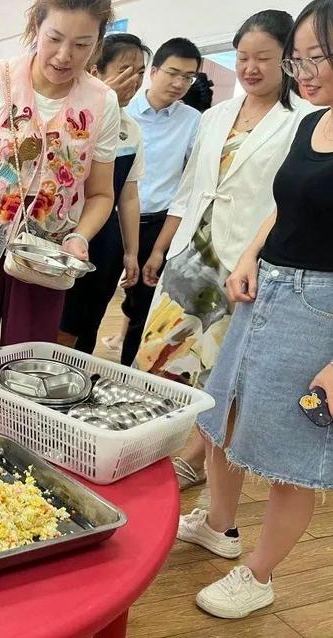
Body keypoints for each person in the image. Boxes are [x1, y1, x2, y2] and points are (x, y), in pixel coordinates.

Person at [176, 0, 333, 618]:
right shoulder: (309, 123)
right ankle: (220, 526)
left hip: (320, 311)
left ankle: (259, 574)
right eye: (300, 57)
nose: (305, 70)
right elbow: (284, 206)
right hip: (264, 288)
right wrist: (249, 255)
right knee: (221, 417)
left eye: (317, 56)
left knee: (291, 455)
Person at [134, 10, 316, 490]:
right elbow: (189, 186)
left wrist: (257, 255)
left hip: (244, 260)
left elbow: (288, 201)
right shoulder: (214, 116)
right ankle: (138, 441)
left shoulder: (304, 121)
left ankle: (193, 457)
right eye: (242, 57)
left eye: (264, 58)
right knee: (158, 353)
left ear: (287, 62)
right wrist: (160, 248)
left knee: (219, 367)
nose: (251, 68)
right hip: (192, 249)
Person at [0, 0, 120, 390]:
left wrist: (79, 236)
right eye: (55, 39)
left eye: (81, 45)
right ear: (36, 27)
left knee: (27, 374)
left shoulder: (101, 103)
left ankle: (15, 447)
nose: (64, 56)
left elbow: (100, 195)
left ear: (97, 43)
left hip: (45, 264)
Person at [59, 33, 150, 355]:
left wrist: (131, 252)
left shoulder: (132, 130)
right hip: (63, 233)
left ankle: (75, 381)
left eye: (140, 72)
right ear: (96, 71)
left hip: (105, 241)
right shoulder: (70, 118)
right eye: (126, 69)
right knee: (58, 321)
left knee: (89, 320)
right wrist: (104, 99)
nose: (135, 80)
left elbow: (128, 194)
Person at [118, 38, 202, 366]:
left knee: (144, 308)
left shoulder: (193, 121)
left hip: (157, 223)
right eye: (173, 73)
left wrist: (159, 247)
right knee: (90, 303)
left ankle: (125, 377)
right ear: (153, 72)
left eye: (189, 77)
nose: (180, 83)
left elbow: (189, 184)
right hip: (113, 220)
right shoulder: (124, 110)